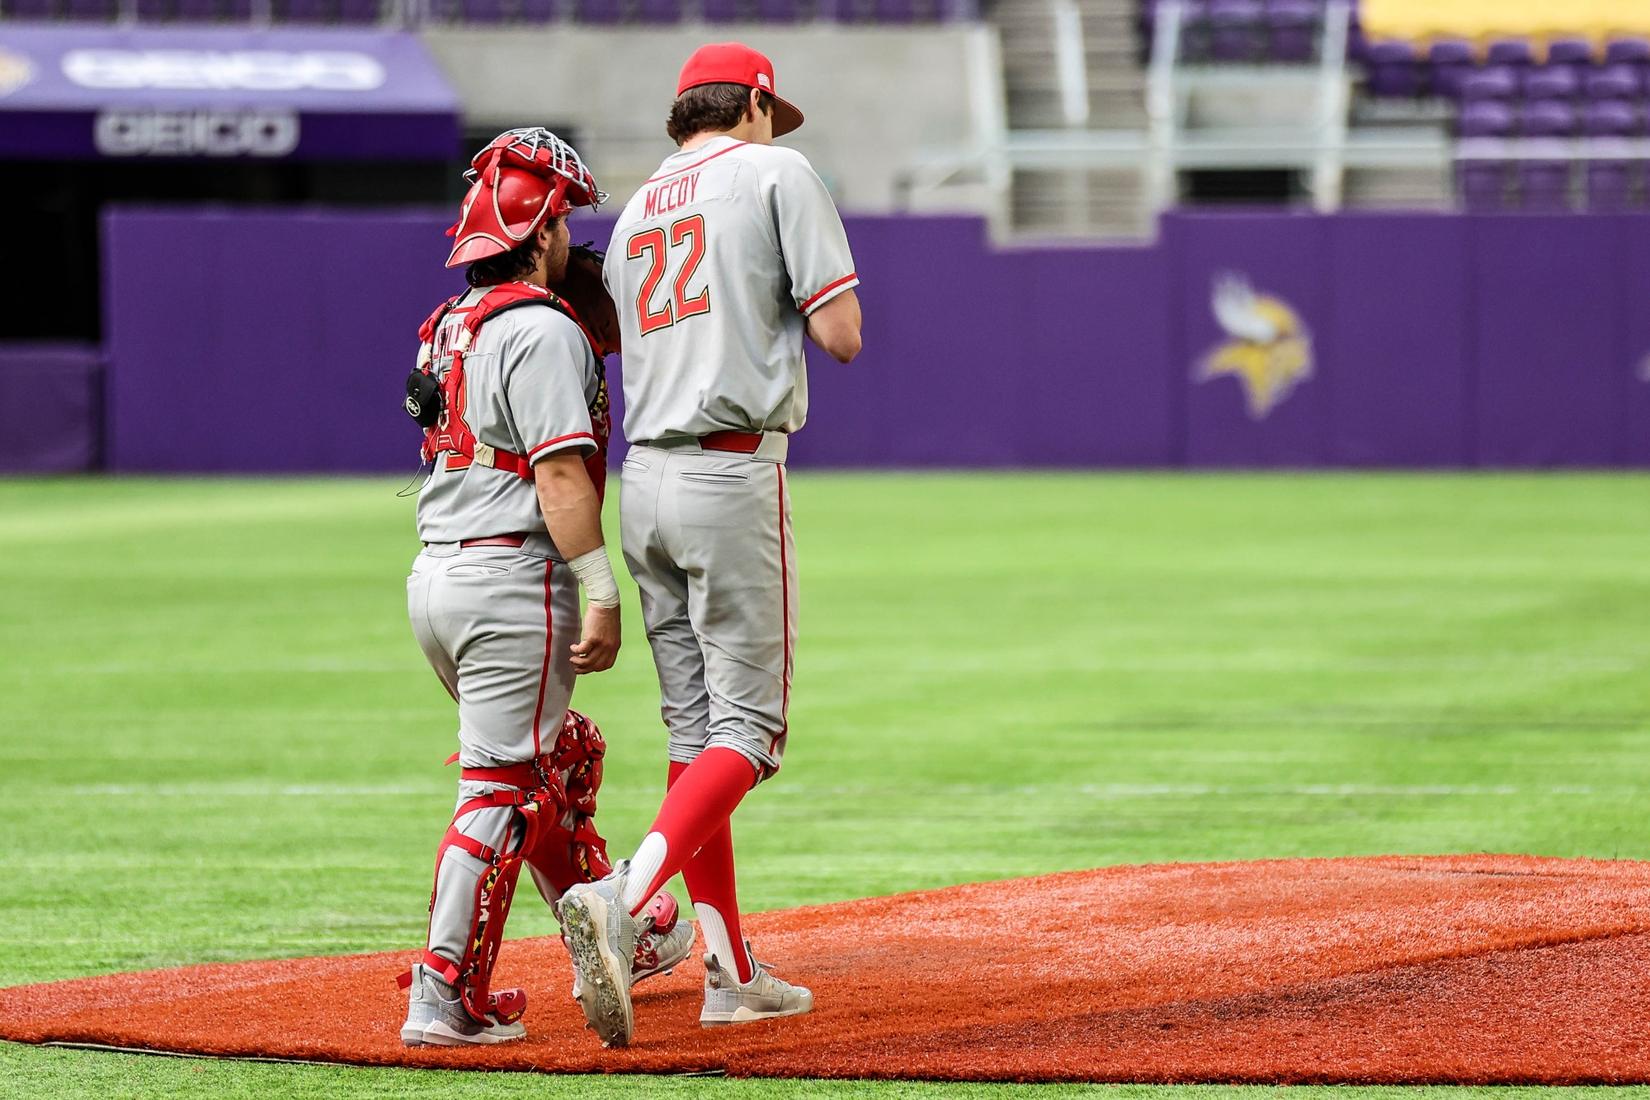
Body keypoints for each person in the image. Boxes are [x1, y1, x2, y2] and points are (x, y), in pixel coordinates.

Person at [558, 44, 863, 1048]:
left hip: (643, 478)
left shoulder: (641, 204)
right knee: (751, 733)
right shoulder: (777, 171)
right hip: (730, 469)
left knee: (694, 732)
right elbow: (843, 331)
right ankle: (628, 896)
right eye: (778, 112)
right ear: (757, 101)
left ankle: (730, 970)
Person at [397, 127, 693, 1047]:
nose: (572, 235)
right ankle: (444, 995)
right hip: (510, 579)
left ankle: (623, 931)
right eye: (562, 219)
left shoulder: (454, 319)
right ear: (536, 230)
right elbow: (562, 477)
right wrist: (599, 589)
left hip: (438, 579)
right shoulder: (543, 329)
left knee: (560, 756)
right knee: (500, 790)